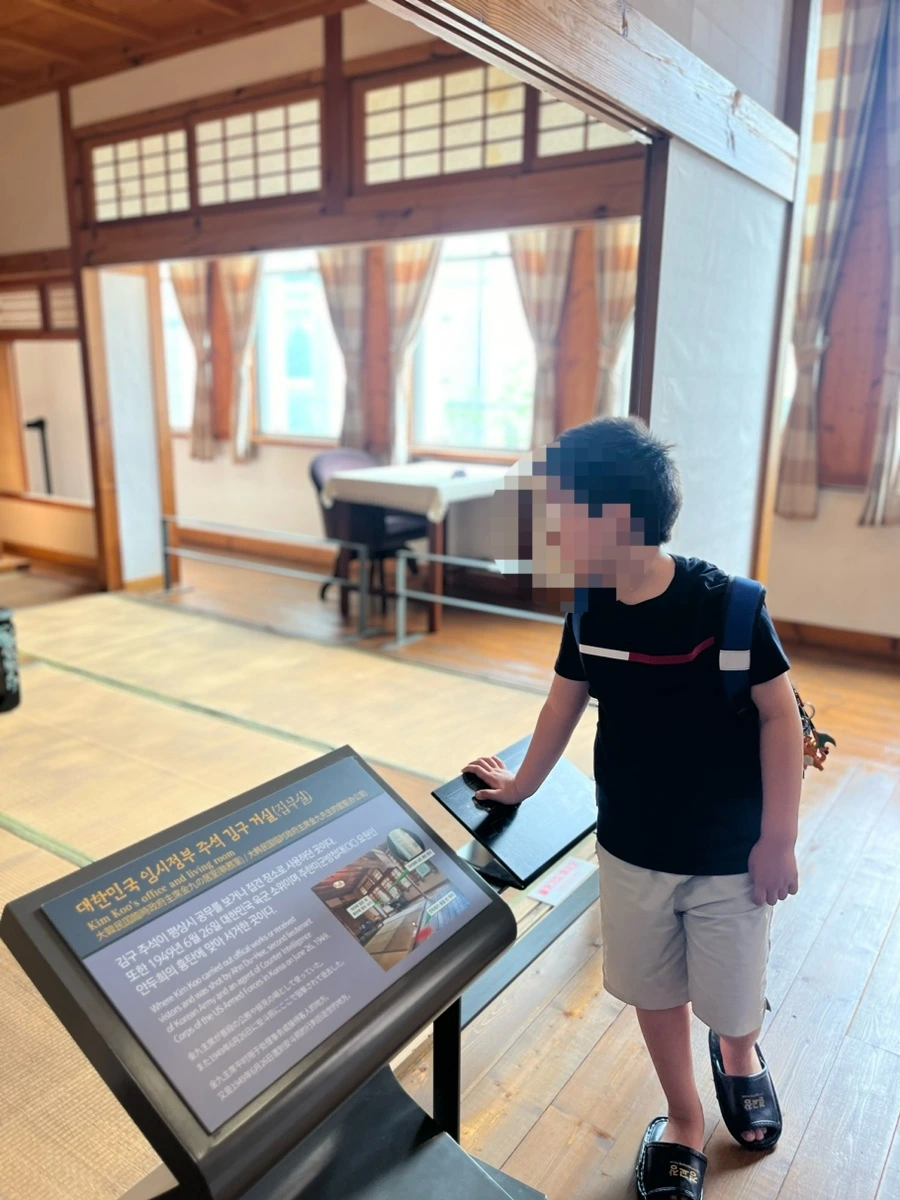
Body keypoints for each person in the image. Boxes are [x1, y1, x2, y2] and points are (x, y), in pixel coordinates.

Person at [463, 417, 802, 1200]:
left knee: (733, 994)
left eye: (561, 510)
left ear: (615, 517)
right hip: (631, 845)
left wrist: (778, 838)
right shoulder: (590, 610)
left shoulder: (729, 608)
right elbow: (564, 702)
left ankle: (739, 1053)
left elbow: (781, 719)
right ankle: (684, 1115)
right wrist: (521, 784)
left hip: (730, 852)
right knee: (654, 987)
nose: (551, 527)